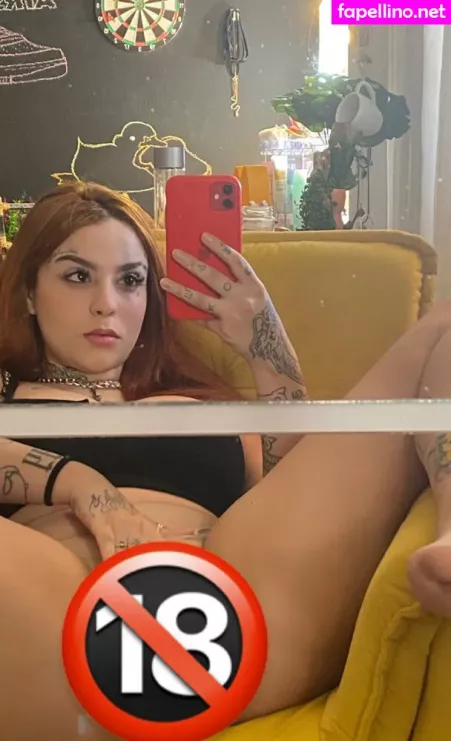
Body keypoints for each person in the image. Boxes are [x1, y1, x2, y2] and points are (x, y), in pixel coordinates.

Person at [0, 181, 450, 741]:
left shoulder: (197, 403)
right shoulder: (9, 401)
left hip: (232, 608)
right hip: (54, 624)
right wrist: (81, 485)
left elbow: (293, 494)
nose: (106, 304)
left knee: (445, 328)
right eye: (77, 276)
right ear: (28, 293)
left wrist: (266, 344)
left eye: (131, 280)